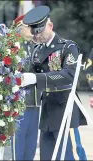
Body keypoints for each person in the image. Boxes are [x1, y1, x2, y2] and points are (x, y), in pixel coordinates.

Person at [21, 5, 87, 160]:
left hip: (65, 107)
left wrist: (35, 79)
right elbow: (30, 77)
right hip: (47, 108)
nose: (37, 37)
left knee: (67, 153)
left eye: (40, 32)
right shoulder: (37, 51)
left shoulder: (67, 47)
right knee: (47, 154)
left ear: (50, 26)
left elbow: (68, 75)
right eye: (34, 34)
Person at [10, 15, 41, 160]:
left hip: (35, 100)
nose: (32, 30)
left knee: (31, 141)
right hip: (19, 101)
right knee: (18, 141)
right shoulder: (13, 47)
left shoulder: (35, 45)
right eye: (29, 27)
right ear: (19, 28)